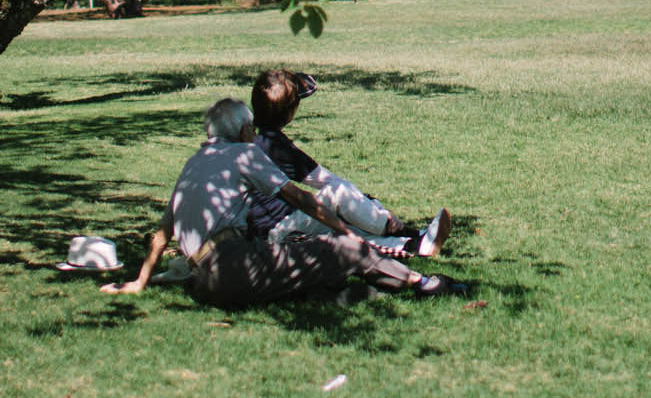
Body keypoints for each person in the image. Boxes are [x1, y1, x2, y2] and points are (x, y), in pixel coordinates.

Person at [102, 97, 464, 307]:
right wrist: (344, 233)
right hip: (233, 266)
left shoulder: (194, 163)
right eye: (251, 130)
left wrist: (139, 282)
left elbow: (161, 235)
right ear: (245, 131)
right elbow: (301, 199)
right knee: (343, 251)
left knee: (307, 271)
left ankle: (350, 292)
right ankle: (424, 283)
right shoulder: (245, 153)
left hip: (205, 284)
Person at [246, 69, 451, 257]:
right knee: (340, 193)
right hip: (279, 233)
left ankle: (413, 245)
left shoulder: (250, 140)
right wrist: (380, 213)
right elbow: (327, 182)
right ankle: (395, 229)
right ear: (290, 113)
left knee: (346, 229)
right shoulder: (275, 145)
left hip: (267, 233)